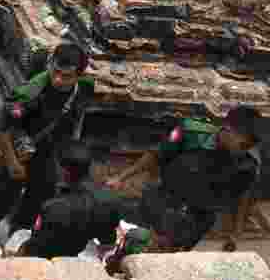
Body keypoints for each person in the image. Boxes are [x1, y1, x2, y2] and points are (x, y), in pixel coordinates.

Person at [105, 105, 266, 251]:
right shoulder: (191, 131)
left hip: (198, 219)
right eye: (243, 145)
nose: (244, 151)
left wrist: (236, 232)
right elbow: (156, 154)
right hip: (162, 201)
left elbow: (243, 195)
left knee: (171, 258)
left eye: (249, 146)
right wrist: (121, 177)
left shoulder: (248, 163)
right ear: (227, 129)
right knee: (137, 246)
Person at [0, 39, 95, 238]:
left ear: (79, 75)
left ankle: (17, 238)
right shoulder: (31, 93)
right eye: (55, 72)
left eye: (66, 76)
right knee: (2, 198)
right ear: (51, 64)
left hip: (47, 155)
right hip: (20, 154)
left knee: (37, 201)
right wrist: (12, 163)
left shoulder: (84, 86)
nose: (58, 80)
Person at [19, 143, 144, 259]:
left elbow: (36, 245)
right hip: (77, 253)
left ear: (64, 170)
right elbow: (107, 241)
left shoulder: (52, 207)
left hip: (49, 257)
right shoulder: (110, 200)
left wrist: (19, 253)